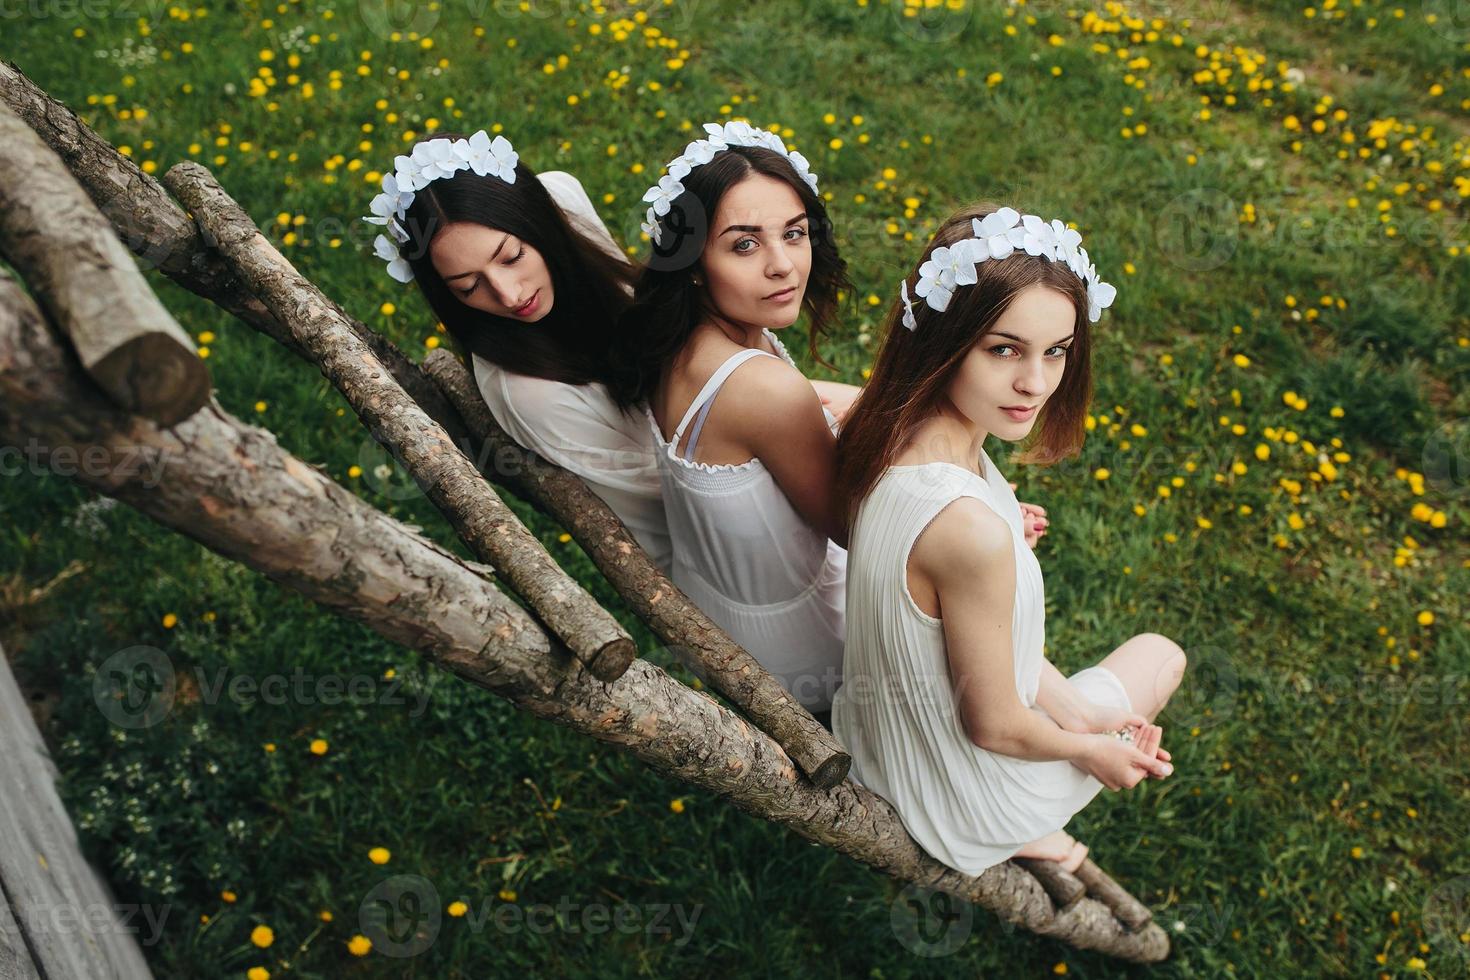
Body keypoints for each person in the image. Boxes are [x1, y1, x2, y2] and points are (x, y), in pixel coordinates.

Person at [831, 203, 1187, 874]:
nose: (1036, 383)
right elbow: (992, 725)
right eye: (1005, 349)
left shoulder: (896, 431)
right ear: (944, 342)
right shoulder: (968, 530)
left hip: (882, 735)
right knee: (1162, 655)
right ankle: (1027, 828)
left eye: (1056, 352)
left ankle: (1080, 715)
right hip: (954, 789)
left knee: (1103, 699)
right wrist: (1090, 752)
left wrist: (1080, 716)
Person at [617, 122, 852, 714]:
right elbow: (856, 531)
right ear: (695, 260)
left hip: (726, 608)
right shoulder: (763, 389)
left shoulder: (678, 337)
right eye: (744, 244)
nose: (783, 266)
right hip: (810, 649)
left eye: (794, 234)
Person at [361, 129, 672, 569]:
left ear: (539, 222)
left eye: (511, 257)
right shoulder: (529, 393)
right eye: (468, 286)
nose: (508, 295)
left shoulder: (563, 198)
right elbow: (671, 496)